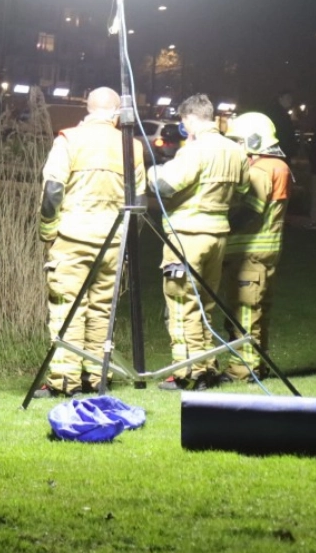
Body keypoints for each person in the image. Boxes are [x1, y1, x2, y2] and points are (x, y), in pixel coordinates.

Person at [33, 87, 144, 399]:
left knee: (67, 309)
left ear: (87, 107)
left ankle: (64, 380)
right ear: (117, 112)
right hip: (113, 241)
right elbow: (139, 201)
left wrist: (47, 230)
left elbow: (53, 190)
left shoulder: (70, 139)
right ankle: (96, 377)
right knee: (101, 310)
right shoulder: (131, 146)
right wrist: (127, 243)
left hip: (73, 238)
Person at [148, 93, 249, 390]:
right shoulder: (235, 151)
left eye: (183, 121)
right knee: (205, 304)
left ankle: (187, 373)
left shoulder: (195, 149)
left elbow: (166, 187)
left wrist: (155, 171)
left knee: (181, 305)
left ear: (190, 119)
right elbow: (242, 191)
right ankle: (206, 367)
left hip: (187, 238)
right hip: (217, 237)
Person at [221, 112, 292, 383]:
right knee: (255, 312)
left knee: (245, 313)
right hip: (263, 253)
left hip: (250, 254)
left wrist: (220, 222)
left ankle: (243, 371)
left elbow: (250, 211)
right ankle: (255, 366)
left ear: (252, 139)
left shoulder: (262, 169)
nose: (236, 146)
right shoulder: (278, 165)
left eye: (238, 140)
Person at [268, 91, 299, 161]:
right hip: (281, 150)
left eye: (290, 98)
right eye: (287, 98)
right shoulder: (278, 114)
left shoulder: (280, 113)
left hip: (280, 150)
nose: (290, 100)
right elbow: (285, 134)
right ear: (280, 99)